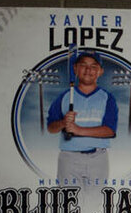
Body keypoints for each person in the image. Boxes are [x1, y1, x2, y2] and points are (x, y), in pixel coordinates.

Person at [46, 51, 118, 184]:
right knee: (68, 203)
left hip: (98, 158)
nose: (88, 70)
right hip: (69, 158)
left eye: (94, 66)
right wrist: (63, 122)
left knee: (95, 203)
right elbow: (51, 128)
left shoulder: (107, 98)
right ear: (75, 69)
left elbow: (109, 131)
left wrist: (78, 130)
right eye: (83, 65)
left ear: (100, 71)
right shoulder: (64, 97)